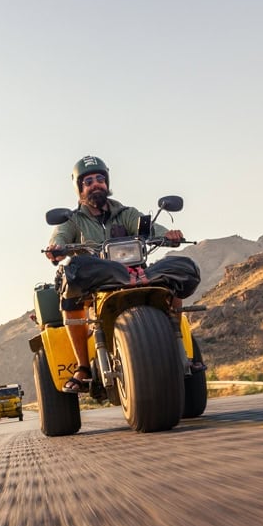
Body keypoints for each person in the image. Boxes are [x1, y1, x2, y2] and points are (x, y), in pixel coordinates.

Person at [45, 155, 186, 394]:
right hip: (94, 282)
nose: (95, 184)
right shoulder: (73, 220)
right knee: (68, 289)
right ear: (80, 188)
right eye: (88, 181)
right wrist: (55, 248)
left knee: (175, 277)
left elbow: (150, 229)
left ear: (107, 183)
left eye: (100, 179)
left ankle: (177, 345)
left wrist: (168, 235)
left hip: (134, 273)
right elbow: (58, 237)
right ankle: (83, 366)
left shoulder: (127, 213)